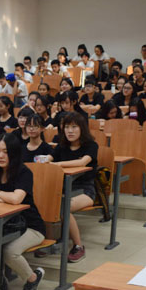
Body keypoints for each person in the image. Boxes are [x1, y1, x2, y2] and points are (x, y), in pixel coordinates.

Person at [0, 133, 46, 290]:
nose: (0, 156)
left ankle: (32, 278)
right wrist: (1, 196)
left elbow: (16, 199)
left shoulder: (24, 172)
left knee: (9, 252)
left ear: (14, 153)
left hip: (31, 227)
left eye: (5, 152)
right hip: (4, 227)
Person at [41, 112, 98, 263]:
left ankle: (78, 246)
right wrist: (45, 160)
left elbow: (82, 162)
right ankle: (50, 242)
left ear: (82, 129)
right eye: (66, 127)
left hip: (86, 190)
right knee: (45, 202)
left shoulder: (91, 146)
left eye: (74, 127)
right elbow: (49, 158)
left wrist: (56, 164)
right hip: (64, 189)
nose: (70, 131)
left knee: (64, 206)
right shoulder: (62, 146)